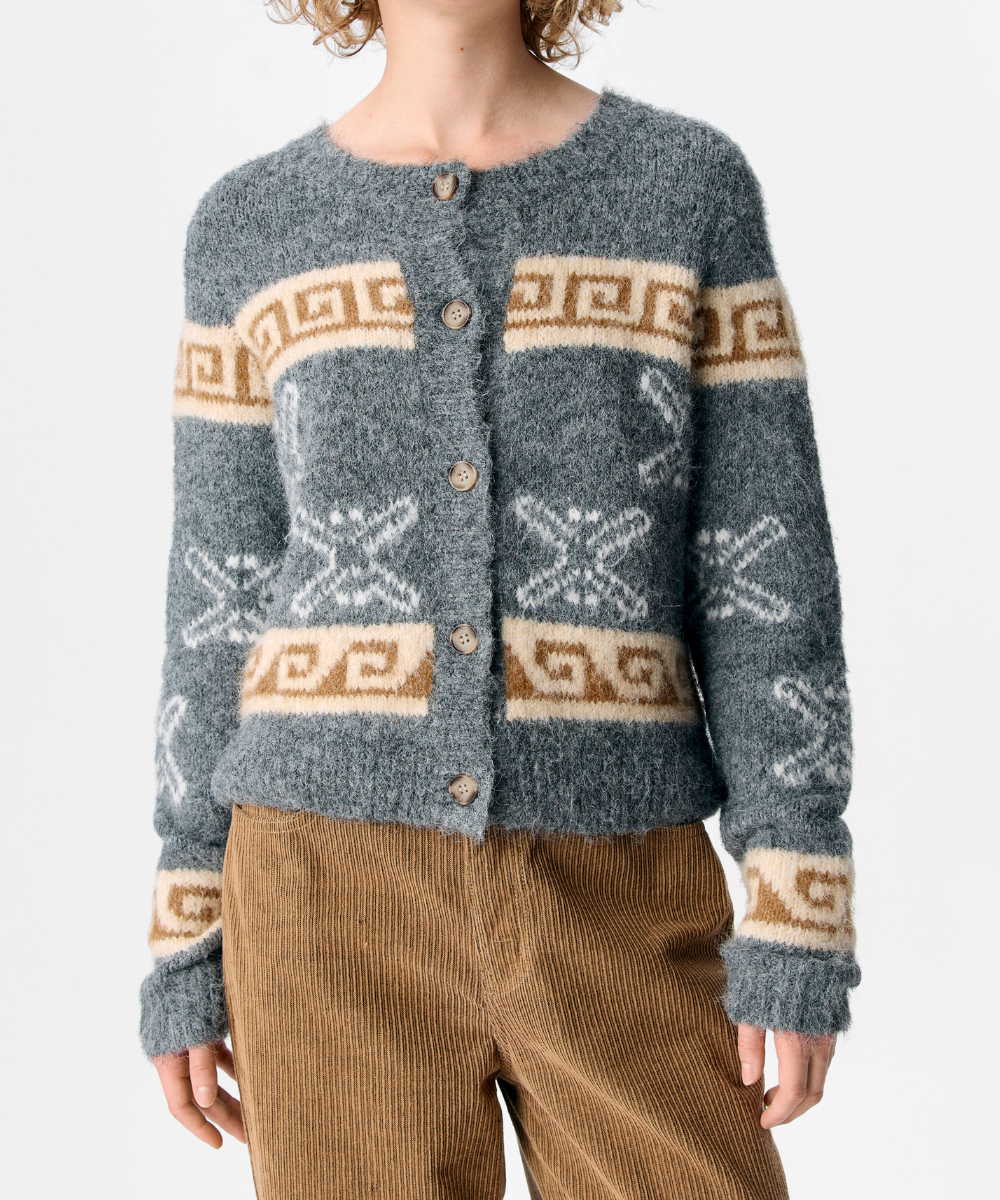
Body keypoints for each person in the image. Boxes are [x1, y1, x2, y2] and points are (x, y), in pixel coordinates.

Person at [140, 1, 861, 1196]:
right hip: (320, 892)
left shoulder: (685, 189)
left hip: (620, 870)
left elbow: (764, 571)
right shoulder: (250, 225)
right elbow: (219, 596)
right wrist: (185, 931)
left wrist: (799, 907)